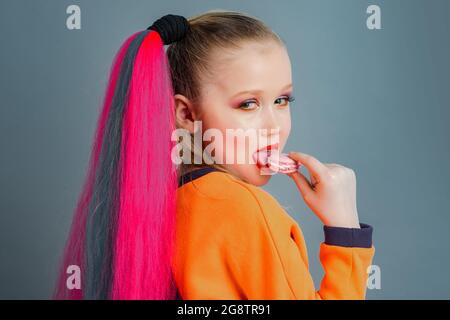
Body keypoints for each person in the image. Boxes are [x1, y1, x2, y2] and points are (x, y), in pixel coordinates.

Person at [54, 10, 375, 300]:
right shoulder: (243, 208)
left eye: (282, 100)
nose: (274, 126)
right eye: (248, 104)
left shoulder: (161, 204)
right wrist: (344, 228)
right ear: (185, 113)